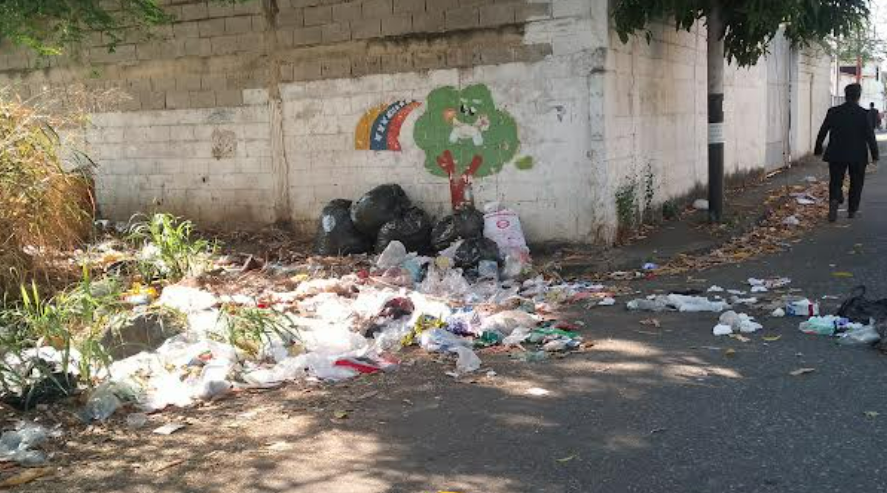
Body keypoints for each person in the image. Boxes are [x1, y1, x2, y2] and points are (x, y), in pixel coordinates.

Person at [814, 84, 879, 222]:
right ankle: (852, 210)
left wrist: (818, 148)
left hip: (836, 153)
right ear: (858, 96)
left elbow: (823, 130)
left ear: (845, 95)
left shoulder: (833, 111)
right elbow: (870, 136)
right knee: (857, 182)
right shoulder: (864, 114)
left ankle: (834, 200)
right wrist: (875, 155)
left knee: (836, 181)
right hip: (857, 155)